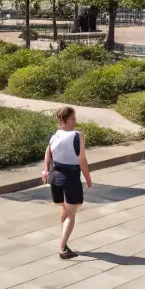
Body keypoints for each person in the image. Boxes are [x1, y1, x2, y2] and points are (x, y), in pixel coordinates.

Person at [42, 106, 93, 260]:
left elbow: (48, 152)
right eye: (74, 118)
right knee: (71, 215)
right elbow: (82, 159)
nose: (76, 121)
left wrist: (45, 170)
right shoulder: (77, 135)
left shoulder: (54, 136)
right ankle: (63, 248)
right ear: (69, 119)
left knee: (65, 208)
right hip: (70, 178)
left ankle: (64, 237)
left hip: (56, 177)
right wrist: (88, 178)